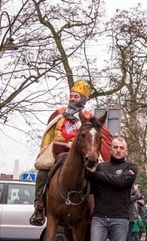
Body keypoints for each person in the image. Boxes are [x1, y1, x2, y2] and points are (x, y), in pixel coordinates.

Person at [30, 80, 113, 226]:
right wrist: (49, 148)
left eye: (76, 96)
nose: (72, 98)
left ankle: (98, 209)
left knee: (94, 178)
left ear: (83, 99)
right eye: (71, 96)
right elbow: (49, 136)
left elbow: (93, 137)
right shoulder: (59, 114)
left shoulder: (88, 117)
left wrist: (74, 145)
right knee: (43, 173)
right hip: (57, 154)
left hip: (80, 155)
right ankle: (39, 206)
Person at [85, 137, 138, 241]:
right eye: (115, 147)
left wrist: (98, 175)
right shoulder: (101, 166)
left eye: (121, 148)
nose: (118, 150)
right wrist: (91, 173)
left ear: (126, 151)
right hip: (100, 215)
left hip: (120, 217)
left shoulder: (131, 168)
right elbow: (91, 184)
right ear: (110, 149)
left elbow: (121, 182)